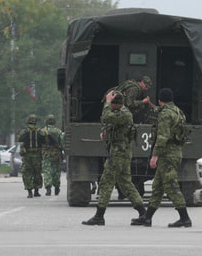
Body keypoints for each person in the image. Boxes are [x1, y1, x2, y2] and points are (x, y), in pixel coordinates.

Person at [82, 91, 146, 226]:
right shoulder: (121, 113)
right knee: (126, 184)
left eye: (112, 104)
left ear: (115, 104)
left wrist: (106, 102)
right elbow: (112, 126)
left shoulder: (123, 113)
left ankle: (99, 216)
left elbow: (106, 116)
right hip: (122, 153)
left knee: (106, 182)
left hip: (118, 154)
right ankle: (143, 213)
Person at [131, 88, 192, 228]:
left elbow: (162, 137)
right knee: (157, 186)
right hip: (175, 152)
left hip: (167, 154)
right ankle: (147, 217)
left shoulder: (165, 115)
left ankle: (185, 218)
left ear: (160, 100)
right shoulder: (178, 111)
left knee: (171, 185)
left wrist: (154, 156)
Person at [18, 114, 45, 198]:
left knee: (27, 172)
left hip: (27, 156)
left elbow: (19, 139)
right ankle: (37, 191)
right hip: (37, 155)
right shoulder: (40, 132)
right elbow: (45, 140)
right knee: (37, 172)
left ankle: (30, 192)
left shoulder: (24, 132)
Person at [39, 114, 64, 196]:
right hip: (56, 154)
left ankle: (48, 189)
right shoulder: (58, 131)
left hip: (46, 154)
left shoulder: (42, 131)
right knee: (56, 171)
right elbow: (62, 143)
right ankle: (57, 187)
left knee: (47, 171)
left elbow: (40, 143)